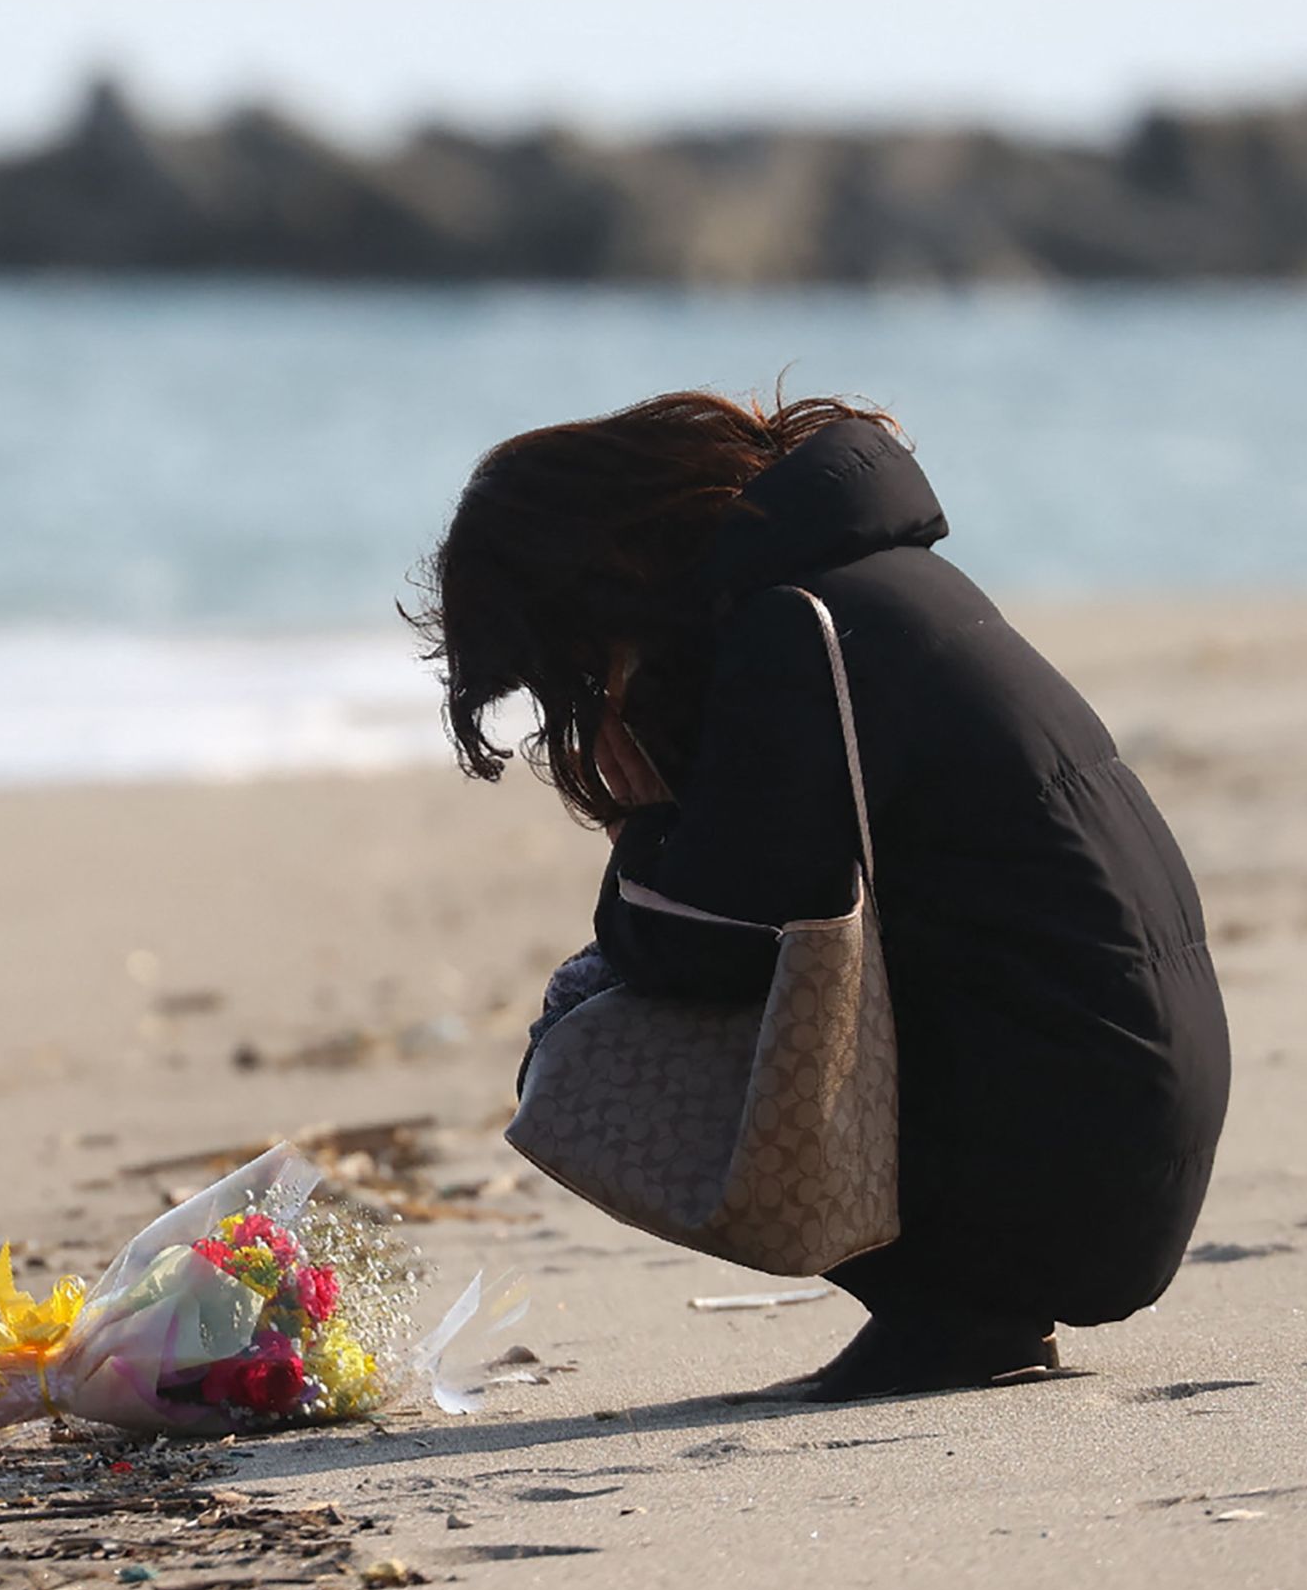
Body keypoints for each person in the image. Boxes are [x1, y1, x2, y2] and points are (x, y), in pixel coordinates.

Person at [413, 392, 1228, 1401]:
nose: (580, 692)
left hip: (1074, 1173)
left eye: (564, 660)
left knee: (579, 1039)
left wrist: (644, 835)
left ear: (597, 580)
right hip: (1125, 1128)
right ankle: (966, 1307)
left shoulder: (795, 632)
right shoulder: (873, 582)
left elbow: (726, 939)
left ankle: (953, 1312)